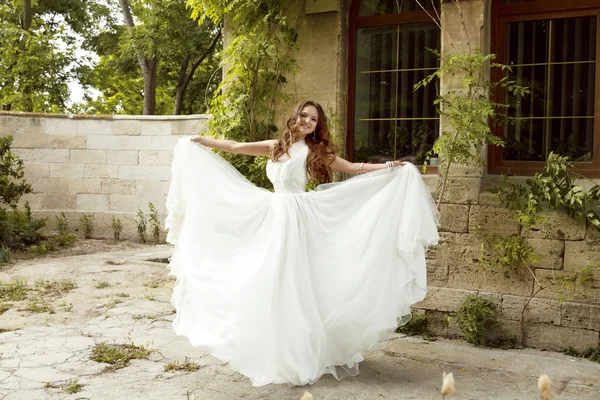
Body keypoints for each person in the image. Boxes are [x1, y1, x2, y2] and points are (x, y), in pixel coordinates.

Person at [165, 100, 439, 387]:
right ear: (295, 117)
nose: (308, 121)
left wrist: (389, 167)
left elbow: (353, 168)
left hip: (297, 218)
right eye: (304, 116)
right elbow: (235, 147)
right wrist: (200, 141)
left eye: (313, 119)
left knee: (295, 281)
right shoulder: (276, 146)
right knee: (269, 277)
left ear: (316, 126)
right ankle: (272, 346)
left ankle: (300, 350)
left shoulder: (315, 150)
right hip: (273, 213)